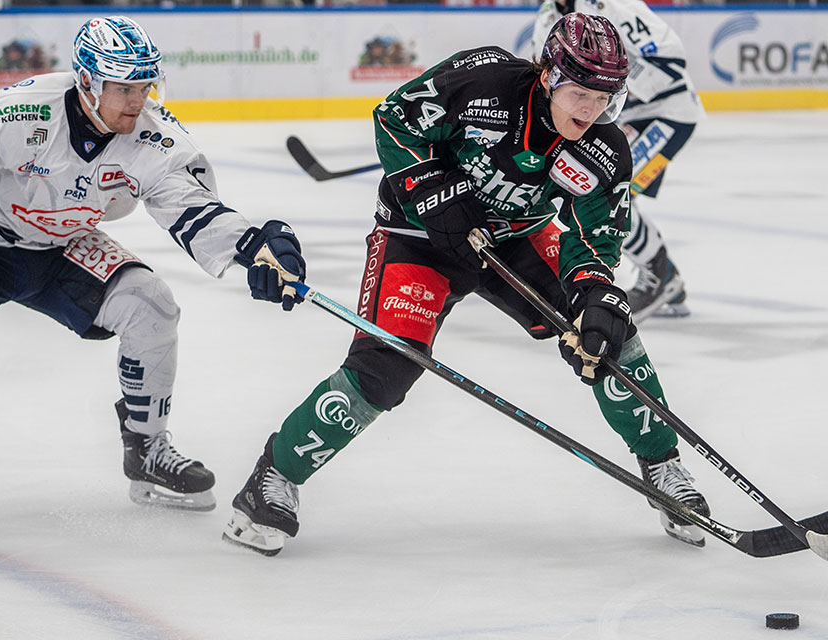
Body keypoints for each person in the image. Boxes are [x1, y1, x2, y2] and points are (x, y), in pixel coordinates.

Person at [223, 13, 709, 557]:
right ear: (548, 75)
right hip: (417, 233)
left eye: (604, 99)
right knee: (386, 367)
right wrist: (431, 186)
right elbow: (396, 118)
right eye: (580, 94)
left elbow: (595, 236)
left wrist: (596, 291)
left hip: (517, 236)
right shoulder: (483, 83)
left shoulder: (603, 148)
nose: (591, 111)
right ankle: (273, 478)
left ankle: (664, 467)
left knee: (603, 333)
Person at [0, 16, 306, 511]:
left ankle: (146, 448)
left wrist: (255, 247)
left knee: (151, 306)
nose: (138, 100)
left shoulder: (155, 139)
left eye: (145, 84)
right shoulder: (19, 112)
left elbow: (193, 208)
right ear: (87, 82)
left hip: (61, 247)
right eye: (123, 87)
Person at [532, 0, 704, 321]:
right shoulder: (547, 17)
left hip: (666, 113)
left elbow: (671, 60)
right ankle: (669, 280)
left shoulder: (614, 6)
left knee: (615, 192)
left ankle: (661, 275)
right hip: (612, 115)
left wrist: (608, 84)